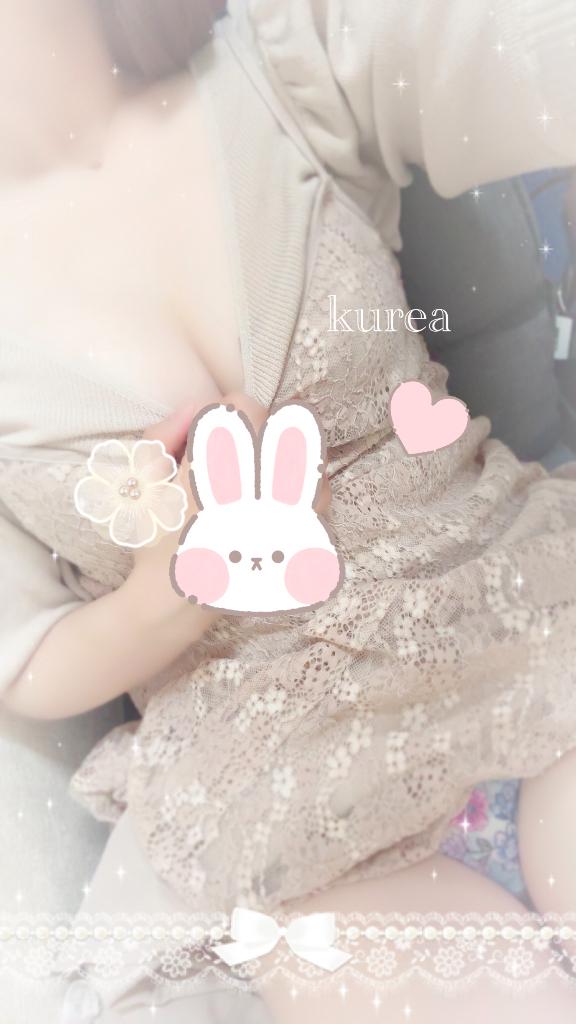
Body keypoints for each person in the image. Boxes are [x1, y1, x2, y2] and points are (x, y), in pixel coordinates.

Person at [1, 1, 576, 1020]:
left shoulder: (283, 57)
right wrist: (161, 600)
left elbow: (519, 51)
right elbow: (24, 657)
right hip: (281, 793)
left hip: (513, 613)